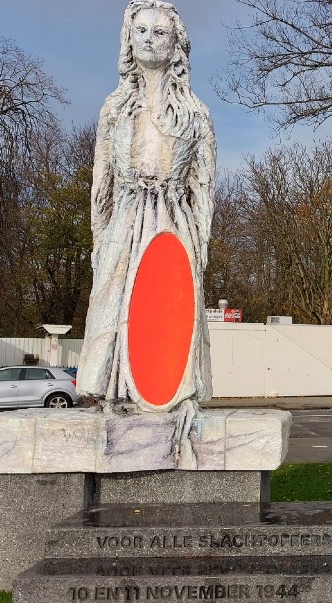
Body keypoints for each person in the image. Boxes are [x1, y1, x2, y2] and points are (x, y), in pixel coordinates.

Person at [78, 1, 215, 435]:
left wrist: (202, 243)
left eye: (159, 32)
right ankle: (111, 392)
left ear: (176, 43)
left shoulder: (195, 113)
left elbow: (204, 186)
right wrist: (99, 239)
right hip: (126, 216)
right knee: (113, 300)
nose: (150, 39)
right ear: (129, 38)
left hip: (174, 219)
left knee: (171, 305)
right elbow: (101, 180)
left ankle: (178, 392)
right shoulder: (115, 108)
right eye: (141, 31)